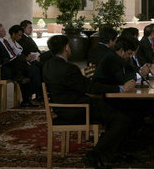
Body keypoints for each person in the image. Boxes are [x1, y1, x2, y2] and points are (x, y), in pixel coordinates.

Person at [43, 35, 134, 169]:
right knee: (121, 119)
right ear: (66, 47)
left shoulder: (47, 65)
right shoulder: (69, 68)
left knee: (115, 113)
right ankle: (95, 154)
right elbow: (90, 87)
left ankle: (110, 152)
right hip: (77, 108)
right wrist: (120, 88)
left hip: (62, 108)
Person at [0, 23, 36, 107]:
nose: (4, 31)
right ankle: (26, 93)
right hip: (6, 65)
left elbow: (12, 53)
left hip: (14, 62)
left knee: (28, 72)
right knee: (25, 65)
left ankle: (26, 100)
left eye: (4, 29)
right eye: (2, 30)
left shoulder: (4, 41)